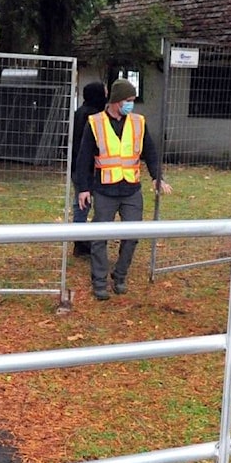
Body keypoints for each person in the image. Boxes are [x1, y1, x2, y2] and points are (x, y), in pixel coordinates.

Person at [75, 78, 172, 301]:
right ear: (117, 101)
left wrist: (157, 177)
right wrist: (84, 188)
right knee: (99, 238)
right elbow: (84, 158)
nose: (131, 104)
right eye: (128, 100)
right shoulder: (95, 122)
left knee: (133, 235)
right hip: (104, 190)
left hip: (131, 190)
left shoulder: (138, 122)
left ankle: (119, 275)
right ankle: (99, 282)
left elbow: (150, 151)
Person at [70, 81, 108, 257]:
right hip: (91, 168)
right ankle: (86, 241)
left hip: (77, 167)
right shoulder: (94, 116)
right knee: (98, 205)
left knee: (81, 205)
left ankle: (81, 241)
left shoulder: (79, 113)